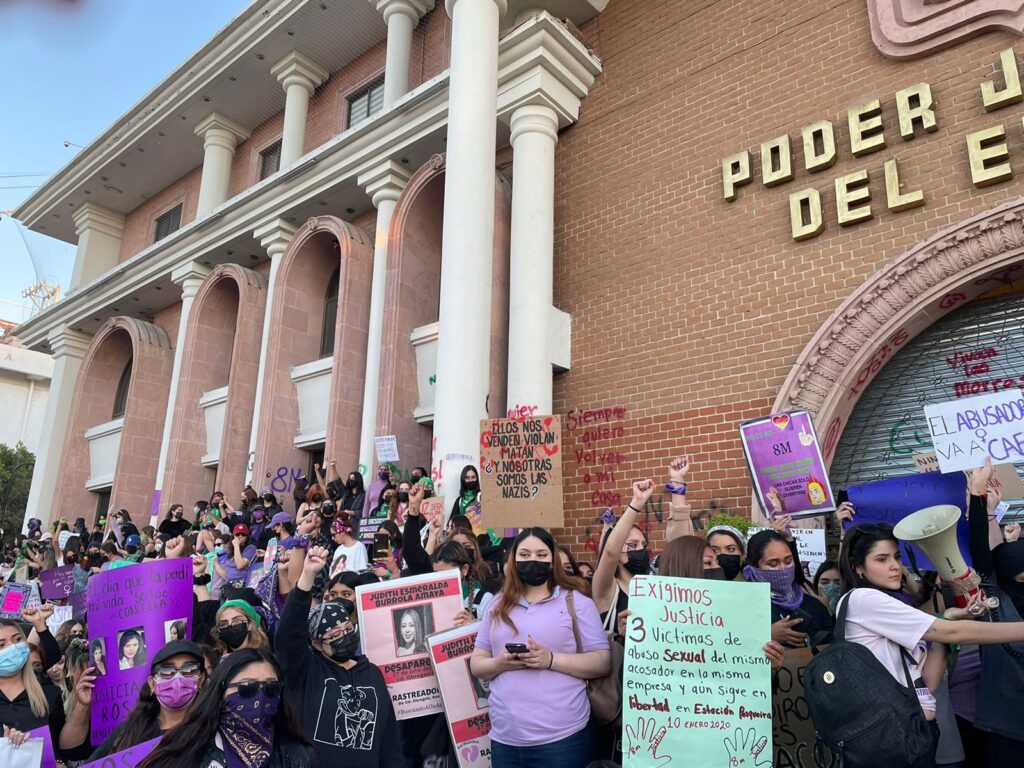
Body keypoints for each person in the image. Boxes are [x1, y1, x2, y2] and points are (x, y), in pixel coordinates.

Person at [836, 520, 1024, 766]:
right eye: (881, 560)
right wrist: (947, 627)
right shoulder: (863, 599)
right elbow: (955, 633)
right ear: (857, 568)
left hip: (914, 736)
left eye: (896, 557)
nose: (894, 567)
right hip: (891, 739)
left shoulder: (889, 605)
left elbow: (930, 682)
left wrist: (943, 623)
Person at [471, 527, 611, 767]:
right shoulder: (496, 605)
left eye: (541, 554)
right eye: (524, 555)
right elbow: (477, 663)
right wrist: (499, 663)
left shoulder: (577, 602)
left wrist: (550, 659)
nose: (532, 560)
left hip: (563, 739)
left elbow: (601, 661)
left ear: (552, 559)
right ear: (513, 559)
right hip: (505, 739)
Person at [275, 545, 407, 767]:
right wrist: (307, 576)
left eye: (347, 630)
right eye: (334, 635)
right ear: (316, 643)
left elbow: (388, 739)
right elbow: (288, 635)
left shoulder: (372, 674)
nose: (344, 637)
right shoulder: (306, 671)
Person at [137, 648, 313, 768]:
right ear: (221, 692)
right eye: (246, 687)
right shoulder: (185, 751)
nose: (260, 697)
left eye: (271, 688)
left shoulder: (297, 756)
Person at [89, 640, 207, 759]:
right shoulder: (130, 729)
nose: (178, 678)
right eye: (166, 671)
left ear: (201, 680)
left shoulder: (211, 733)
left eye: (189, 669)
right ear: (152, 684)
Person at [0, 611, 94, 760]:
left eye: (18, 640)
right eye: (2, 645)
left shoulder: (49, 692)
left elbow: (66, 748)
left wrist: (82, 706)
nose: (13, 648)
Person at [744, 529, 833, 648]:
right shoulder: (742, 606)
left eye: (788, 561)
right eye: (773, 563)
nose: (783, 569)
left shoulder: (814, 606)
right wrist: (766, 636)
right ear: (754, 566)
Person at [592, 478, 657, 630]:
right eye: (633, 545)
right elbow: (609, 552)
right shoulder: (606, 587)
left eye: (643, 545)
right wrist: (637, 503)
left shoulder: (654, 586)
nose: (640, 550)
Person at [216, 524, 257, 589]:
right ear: (234, 536)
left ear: (247, 537)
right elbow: (227, 573)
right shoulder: (231, 551)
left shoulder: (251, 548)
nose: (240, 536)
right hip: (228, 584)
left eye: (243, 534)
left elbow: (240, 565)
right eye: (237, 534)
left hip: (241, 584)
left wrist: (236, 545)